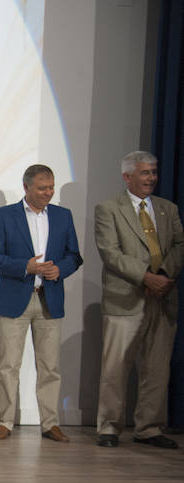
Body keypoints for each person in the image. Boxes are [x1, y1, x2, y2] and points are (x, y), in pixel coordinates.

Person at [0, 164, 82, 443]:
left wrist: (59, 270)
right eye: (42, 188)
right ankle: (5, 422)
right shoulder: (4, 215)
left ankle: (50, 424)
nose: (48, 193)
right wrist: (26, 267)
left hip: (49, 299)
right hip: (14, 298)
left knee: (50, 367)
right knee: (8, 365)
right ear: (26, 187)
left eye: (51, 187)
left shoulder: (63, 216)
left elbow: (74, 255)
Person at [94, 151, 184, 449]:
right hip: (125, 298)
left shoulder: (167, 209)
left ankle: (149, 427)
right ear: (127, 176)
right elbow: (110, 252)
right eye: (145, 173)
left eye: (154, 172)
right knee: (116, 368)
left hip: (163, 298)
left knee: (157, 368)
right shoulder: (108, 209)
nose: (151, 179)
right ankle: (108, 426)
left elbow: (178, 244)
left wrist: (165, 276)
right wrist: (146, 276)